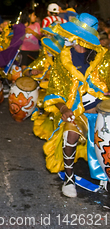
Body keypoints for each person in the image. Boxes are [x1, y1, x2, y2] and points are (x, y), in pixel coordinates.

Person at [43, 13, 110, 198]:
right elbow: (53, 91)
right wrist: (63, 108)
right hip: (77, 113)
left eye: (71, 33)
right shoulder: (62, 61)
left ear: (80, 37)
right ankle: (69, 178)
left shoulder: (104, 58)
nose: (66, 36)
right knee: (70, 133)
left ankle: (105, 177)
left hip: (102, 115)